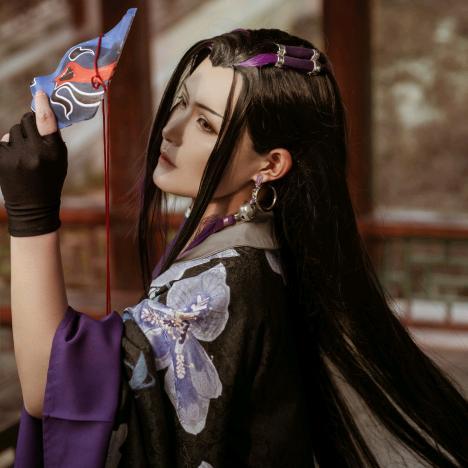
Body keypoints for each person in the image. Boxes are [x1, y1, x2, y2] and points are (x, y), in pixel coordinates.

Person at [1, 27, 467, 467]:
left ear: (270, 164)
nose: (171, 129)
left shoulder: (226, 283)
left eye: (205, 123)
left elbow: (53, 385)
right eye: (181, 102)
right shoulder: (254, 245)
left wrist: (31, 212)